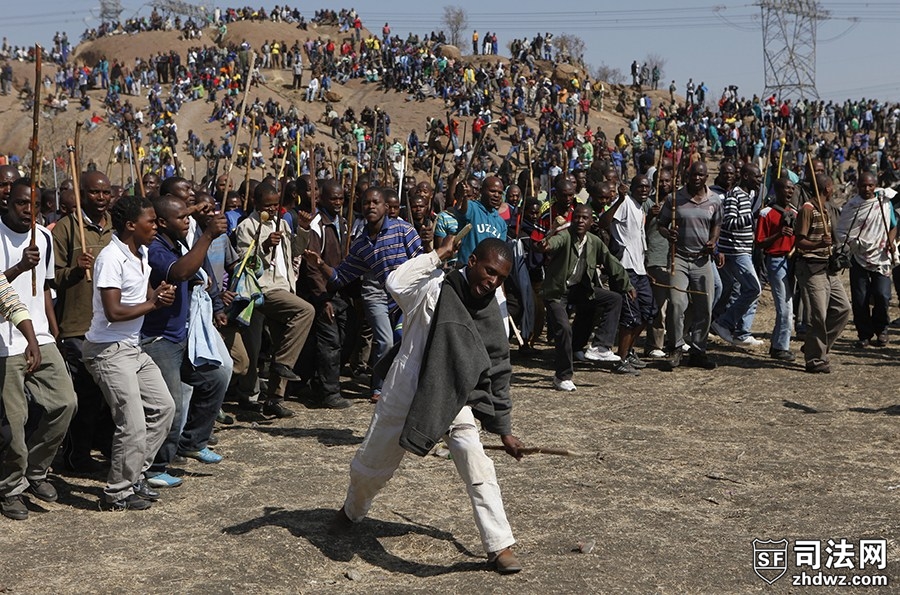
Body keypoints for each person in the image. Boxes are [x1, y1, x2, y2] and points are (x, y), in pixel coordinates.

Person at [331, 237, 526, 575]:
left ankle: (499, 546)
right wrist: (437, 255)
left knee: (476, 464)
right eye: (489, 270)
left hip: (453, 397)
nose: (493, 281)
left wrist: (504, 429)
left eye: (501, 276)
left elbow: (498, 365)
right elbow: (395, 282)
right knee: (369, 469)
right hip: (405, 391)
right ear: (472, 261)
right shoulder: (434, 287)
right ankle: (352, 511)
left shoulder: (494, 303)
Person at [82, 195, 177, 511]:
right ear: (130, 225)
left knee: (164, 408)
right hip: (108, 350)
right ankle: (117, 493)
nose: (156, 225)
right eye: (150, 221)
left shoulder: (142, 254)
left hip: (132, 348)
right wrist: (152, 304)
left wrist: (158, 295)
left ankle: (134, 474)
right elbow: (113, 311)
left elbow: (141, 297)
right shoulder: (110, 258)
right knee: (132, 423)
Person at [141, 195, 231, 489]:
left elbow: (189, 268)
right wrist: (207, 234)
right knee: (172, 406)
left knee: (215, 377)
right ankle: (155, 466)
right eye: (181, 219)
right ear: (164, 223)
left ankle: (192, 441)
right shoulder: (155, 249)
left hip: (182, 335)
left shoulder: (174, 240)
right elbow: (179, 271)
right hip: (159, 340)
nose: (187, 222)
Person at [0, 182, 76, 521]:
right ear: (7, 204)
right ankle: (10, 488)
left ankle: (36, 469)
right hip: (5, 342)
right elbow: (3, 290)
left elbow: (44, 289)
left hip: (39, 336)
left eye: (32, 203)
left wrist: (52, 327)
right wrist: (18, 266)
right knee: (14, 424)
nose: (27, 210)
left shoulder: (42, 238)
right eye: (19, 203)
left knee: (65, 403)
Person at [235, 182, 316, 418]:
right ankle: (248, 396)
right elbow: (244, 263)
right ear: (256, 204)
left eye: (274, 205)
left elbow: (296, 250)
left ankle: (274, 398)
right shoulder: (247, 227)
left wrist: (302, 229)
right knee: (254, 346)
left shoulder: (282, 223)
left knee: (283, 341)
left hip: (284, 287)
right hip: (261, 291)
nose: (271, 210)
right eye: (266, 206)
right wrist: (263, 246)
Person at [52, 170, 115, 472]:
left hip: (112, 323)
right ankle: (76, 456)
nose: (101, 198)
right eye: (94, 193)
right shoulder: (66, 229)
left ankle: (103, 444)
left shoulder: (116, 226)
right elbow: (52, 279)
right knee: (85, 395)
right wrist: (75, 270)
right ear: (82, 194)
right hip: (79, 325)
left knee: (108, 394)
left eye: (105, 192)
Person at [538, 203, 632, 391]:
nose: (580, 221)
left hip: (580, 289)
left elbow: (611, 262)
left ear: (591, 222)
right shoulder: (565, 236)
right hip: (557, 292)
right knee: (564, 328)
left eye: (584, 218)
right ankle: (562, 376)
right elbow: (553, 243)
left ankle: (601, 347)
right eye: (577, 217)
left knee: (613, 299)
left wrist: (626, 284)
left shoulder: (593, 241)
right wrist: (546, 245)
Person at [658, 161, 721, 371]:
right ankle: (675, 347)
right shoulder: (675, 198)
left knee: (705, 307)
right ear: (688, 175)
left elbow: (716, 225)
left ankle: (698, 350)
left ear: (706, 177)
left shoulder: (714, 200)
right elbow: (661, 225)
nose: (697, 178)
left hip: (702, 260)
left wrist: (713, 241)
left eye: (701, 175)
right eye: (693, 174)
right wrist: (669, 234)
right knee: (677, 303)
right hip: (679, 258)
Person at [300, 180, 354, 409]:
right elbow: (311, 265)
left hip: (339, 289)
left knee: (343, 339)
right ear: (322, 199)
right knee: (329, 342)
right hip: (321, 293)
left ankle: (317, 383)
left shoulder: (342, 222)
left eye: (341, 198)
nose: (338, 202)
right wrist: (322, 298)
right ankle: (328, 392)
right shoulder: (317, 225)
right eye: (334, 198)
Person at [600, 175, 657, 374]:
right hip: (625, 270)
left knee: (648, 312)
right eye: (640, 187)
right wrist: (621, 200)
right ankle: (621, 359)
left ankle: (629, 351)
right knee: (630, 317)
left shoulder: (640, 209)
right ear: (631, 188)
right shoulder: (624, 203)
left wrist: (646, 270)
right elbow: (603, 222)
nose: (644, 190)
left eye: (647, 187)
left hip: (639, 269)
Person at [794, 174, 850, 373]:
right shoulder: (808, 209)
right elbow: (799, 241)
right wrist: (819, 243)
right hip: (811, 269)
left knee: (843, 309)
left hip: (828, 268)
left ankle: (815, 347)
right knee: (818, 315)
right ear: (827, 188)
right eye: (832, 185)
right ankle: (815, 360)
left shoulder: (826, 209)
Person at [835, 171, 896, 348]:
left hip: (881, 256)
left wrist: (890, 243)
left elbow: (893, 226)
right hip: (858, 256)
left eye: (870, 185)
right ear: (857, 186)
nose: (867, 189)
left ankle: (882, 329)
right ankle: (864, 334)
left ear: (875, 185)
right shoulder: (852, 206)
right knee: (860, 298)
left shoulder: (883, 203)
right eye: (863, 185)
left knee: (882, 295)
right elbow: (842, 231)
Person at [711, 163, 763, 347]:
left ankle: (740, 331)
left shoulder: (746, 196)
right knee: (753, 289)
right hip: (736, 252)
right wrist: (754, 215)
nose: (760, 180)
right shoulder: (735, 195)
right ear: (747, 177)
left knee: (746, 289)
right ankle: (724, 322)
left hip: (743, 250)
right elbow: (729, 222)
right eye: (757, 177)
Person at [755, 177, 797, 361]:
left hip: (793, 262)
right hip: (776, 260)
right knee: (785, 307)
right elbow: (759, 242)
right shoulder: (766, 213)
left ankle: (777, 342)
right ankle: (781, 347)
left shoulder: (795, 213)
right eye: (786, 188)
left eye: (792, 189)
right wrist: (778, 234)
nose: (789, 192)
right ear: (777, 190)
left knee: (790, 303)